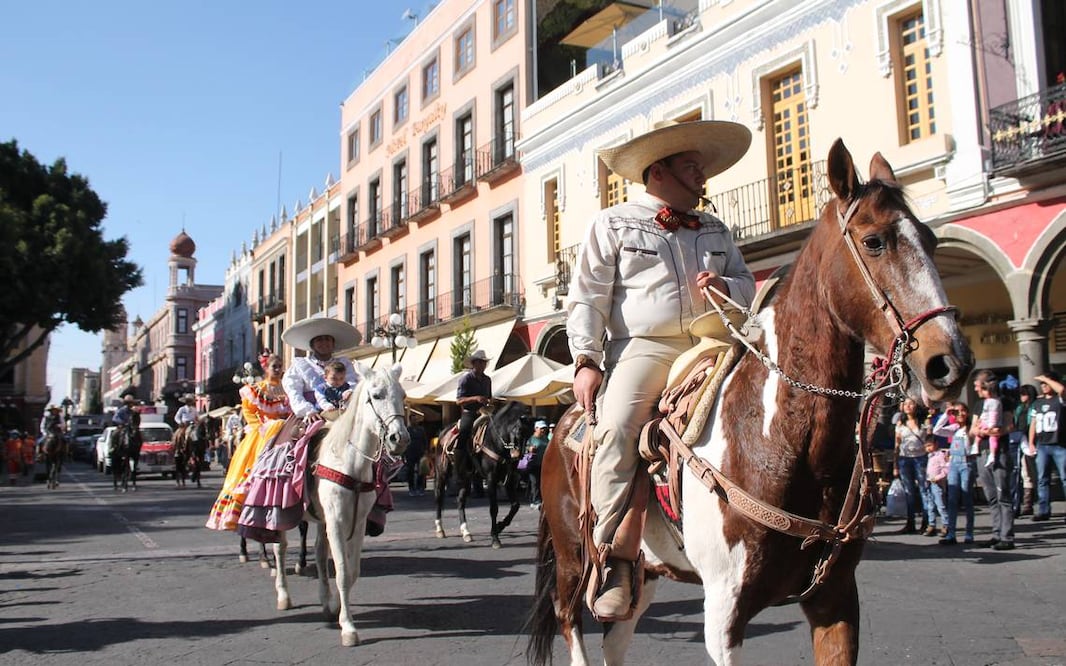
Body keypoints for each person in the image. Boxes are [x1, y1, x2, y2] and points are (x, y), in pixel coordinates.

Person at [567, 119, 755, 618]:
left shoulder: (716, 228)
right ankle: (613, 560)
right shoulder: (613, 223)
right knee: (616, 430)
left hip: (715, 338)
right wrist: (586, 359)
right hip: (643, 347)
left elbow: (746, 283)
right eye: (691, 166)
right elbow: (587, 296)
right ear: (658, 171)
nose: (702, 174)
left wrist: (726, 286)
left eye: (699, 166)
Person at [206, 352, 291, 531]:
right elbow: (249, 412)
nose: (277, 370)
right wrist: (265, 426)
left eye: (279, 366)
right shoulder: (256, 389)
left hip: (286, 430)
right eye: (274, 366)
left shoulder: (287, 389)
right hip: (263, 433)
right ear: (265, 368)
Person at [281, 317, 361, 422]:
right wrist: (308, 410)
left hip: (343, 412)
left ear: (333, 343)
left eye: (327, 339)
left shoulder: (344, 363)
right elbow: (294, 392)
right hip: (313, 415)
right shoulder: (301, 365)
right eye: (319, 340)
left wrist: (350, 392)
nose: (324, 343)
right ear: (312, 345)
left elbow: (353, 382)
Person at [971, 370, 1015, 549]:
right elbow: (972, 429)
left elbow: (1009, 425)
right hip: (982, 451)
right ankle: (996, 533)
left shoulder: (1005, 402)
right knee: (990, 496)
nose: (975, 389)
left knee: (1003, 494)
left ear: (985, 385)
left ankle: (1007, 536)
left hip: (1000, 451)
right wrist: (980, 431)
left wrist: (998, 431)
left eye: (976, 385)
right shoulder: (978, 405)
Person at [933, 402, 976, 545]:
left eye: (963, 411)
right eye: (957, 412)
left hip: (966, 463)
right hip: (954, 463)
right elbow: (937, 430)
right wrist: (946, 414)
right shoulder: (955, 428)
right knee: (952, 498)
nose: (961, 414)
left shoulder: (971, 428)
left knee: (967, 498)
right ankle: (951, 533)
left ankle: (969, 533)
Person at [455, 349, 493, 491]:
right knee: (464, 433)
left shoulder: (488, 380)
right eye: (480, 362)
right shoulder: (466, 379)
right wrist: (475, 398)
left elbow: (489, 397)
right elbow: (459, 401)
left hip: (484, 412)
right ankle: (458, 468)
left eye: (484, 363)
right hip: (469, 412)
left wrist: (488, 402)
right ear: (474, 364)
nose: (483, 365)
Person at [1029, 371, 1064, 522]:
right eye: (1042, 384)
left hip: (1060, 444)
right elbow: (1033, 423)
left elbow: (1062, 390)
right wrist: (1031, 443)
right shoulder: (1037, 403)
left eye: (1046, 384)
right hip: (1042, 445)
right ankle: (1044, 510)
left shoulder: (1060, 400)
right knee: (1042, 479)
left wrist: (1046, 378)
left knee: (1065, 477)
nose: (1043, 386)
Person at [895, 398, 932, 534]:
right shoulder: (900, 423)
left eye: (911, 403)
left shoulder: (924, 422)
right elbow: (897, 445)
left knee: (924, 490)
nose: (908, 406)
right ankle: (910, 522)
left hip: (921, 458)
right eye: (905, 404)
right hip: (905, 459)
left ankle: (927, 522)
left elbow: (930, 441)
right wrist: (895, 464)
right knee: (909, 492)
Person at [1014, 383, 1038, 516]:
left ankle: (1029, 502)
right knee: (1023, 472)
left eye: (1024, 394)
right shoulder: (1019, 408)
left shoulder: (1035, 406)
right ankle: (1026, 504)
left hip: (1033, 441)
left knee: (1031, 472)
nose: (1022, 396)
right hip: (1020, 440)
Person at [924, 434, 949, 536]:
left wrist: (938, 478)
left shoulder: (941, 455)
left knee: (940, 505)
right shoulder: (930, 456)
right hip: (929, 482)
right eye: (926, 446)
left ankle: (946, 524)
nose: (928, 448)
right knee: (930, 505)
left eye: (930, 445)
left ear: (936, 444)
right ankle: (931, 525)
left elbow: (946, 469)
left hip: (937, 483)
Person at [524, 420, 550, 508]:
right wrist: (529, 449)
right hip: (533, 464)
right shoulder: (531, 439)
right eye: (541, 428)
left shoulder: (545, 438)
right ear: (536, 428)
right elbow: (525, 450)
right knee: (535, 482)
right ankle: (535, 501)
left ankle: (541, 499)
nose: (543, 430)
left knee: (542, 482)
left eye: (544, 428)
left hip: (543, 464)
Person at [404, 410, 428, 497]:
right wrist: (404, 454)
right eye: (413, 419)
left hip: (420, 452)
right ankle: (411, 488)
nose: (415, 421)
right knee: (410, 471)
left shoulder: (421, 430)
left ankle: (420, 487)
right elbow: (405, 442)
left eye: (416, 419)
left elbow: (425, 441)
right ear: (410, 420)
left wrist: (425, 450)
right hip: (410, 453)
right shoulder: (407, 430)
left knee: (421, 471)